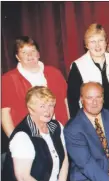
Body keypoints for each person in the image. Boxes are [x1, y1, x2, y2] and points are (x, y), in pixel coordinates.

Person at [1, 36, 69, 164]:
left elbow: (66, 104)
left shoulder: (55, 73)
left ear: (38, 53)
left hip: (58, 135)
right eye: (24, 52)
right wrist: (16, 142)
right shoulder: (8, 79)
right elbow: (5, 115)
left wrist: (68, 132)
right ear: (17, 57)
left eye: (32, 51)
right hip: (28, 139)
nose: (30, 55)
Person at [64, 82, 109, 181]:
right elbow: (86, 165)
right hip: (88, 177)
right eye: (89, 98)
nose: (94, 102)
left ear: (103, 98)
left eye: (98, 97)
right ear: (81, 99)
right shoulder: (72, 128)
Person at [2, 86, 69, 181]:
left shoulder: (56, 126)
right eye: (42, 106)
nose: (47, 110)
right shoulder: (22, 136)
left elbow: (64, 159)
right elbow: (23, 177)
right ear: (30, 109)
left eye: (50, 105)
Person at [67, 23, 109, 118]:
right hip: (91, 120)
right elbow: (73, 101)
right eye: (92, 41)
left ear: (106, 42)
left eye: (101, 40)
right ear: (86, 45)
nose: (97, 45)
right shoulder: (78, 66)